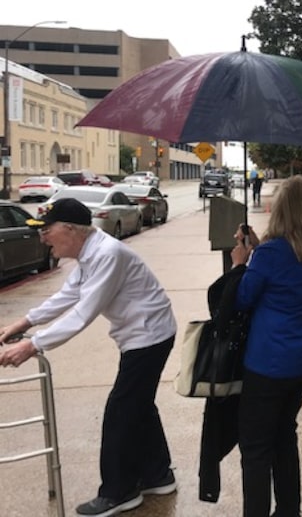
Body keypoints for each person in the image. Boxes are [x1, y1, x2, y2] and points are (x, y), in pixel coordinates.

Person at [0, 198, 178, 516]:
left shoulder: (108, 254)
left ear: (70, 229)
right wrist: (23, 323)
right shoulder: (89, 253)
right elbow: (67, 296)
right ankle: (157, 475)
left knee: (120, 412)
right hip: (140, 336)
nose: (43, 238)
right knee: (138, 405)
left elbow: (84, 312)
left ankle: (119, 492)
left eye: (48, 230)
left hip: (149, 336)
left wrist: (31, 345)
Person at [230, 175, 302, 517]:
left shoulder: (271, 253)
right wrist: (258, 250)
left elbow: (244, 298)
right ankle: (289, 510)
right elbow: (290, 274)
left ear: (281, 209)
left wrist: (240, 264)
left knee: (256, 447)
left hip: (267, 365)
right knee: (284, 436)